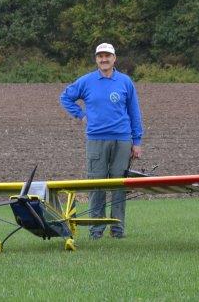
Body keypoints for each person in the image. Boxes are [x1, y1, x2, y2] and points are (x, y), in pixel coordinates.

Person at [60, 43, 144, 239]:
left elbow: (134, 112)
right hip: (96, 140)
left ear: (114, 58)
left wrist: (137, 141)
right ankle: (96, 231)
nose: (104, 59)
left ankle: (117, 230)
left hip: (122, 140)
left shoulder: (125, 82)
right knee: (96, 185)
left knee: (118, 186)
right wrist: (80, 115)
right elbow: (65, 97)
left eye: (107, 56)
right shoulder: (86, 81)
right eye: (100, 56)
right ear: (96, 59)